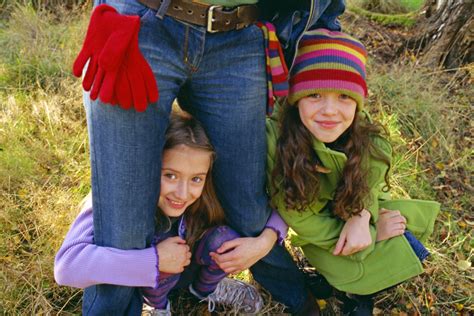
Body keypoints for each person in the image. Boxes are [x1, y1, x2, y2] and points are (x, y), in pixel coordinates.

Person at [78, 0, 346, 315]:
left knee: (248, 206)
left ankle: (291, 296)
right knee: (124, 223)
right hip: (144, 25)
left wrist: (327, 43)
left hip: (239, 36)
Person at [266, 29, 440, 315]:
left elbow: (375, 169)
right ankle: (348, 289)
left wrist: (364, 216)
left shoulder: (361, 131)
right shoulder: (277, 137)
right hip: (324, 234)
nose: (329, 110)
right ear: (296, 97)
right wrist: (371, 236)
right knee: (385, 253)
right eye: (314, 94)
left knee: (407, 237)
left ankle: (351, 287)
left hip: (351, 214)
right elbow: (301, 218)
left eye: (344, 96)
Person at [55, 114, 288, 315]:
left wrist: (263, 243)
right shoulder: (114, 197)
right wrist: (154, 260)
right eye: (170, 175)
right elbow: (66, 268)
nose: (182, 193)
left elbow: (284, 209)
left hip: (190, 265)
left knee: (223, 240)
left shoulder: (211, 189)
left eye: (196, 178)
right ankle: (156, 305)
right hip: (148, 276)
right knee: (161, 243)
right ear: (150, 165)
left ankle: (206, 289)